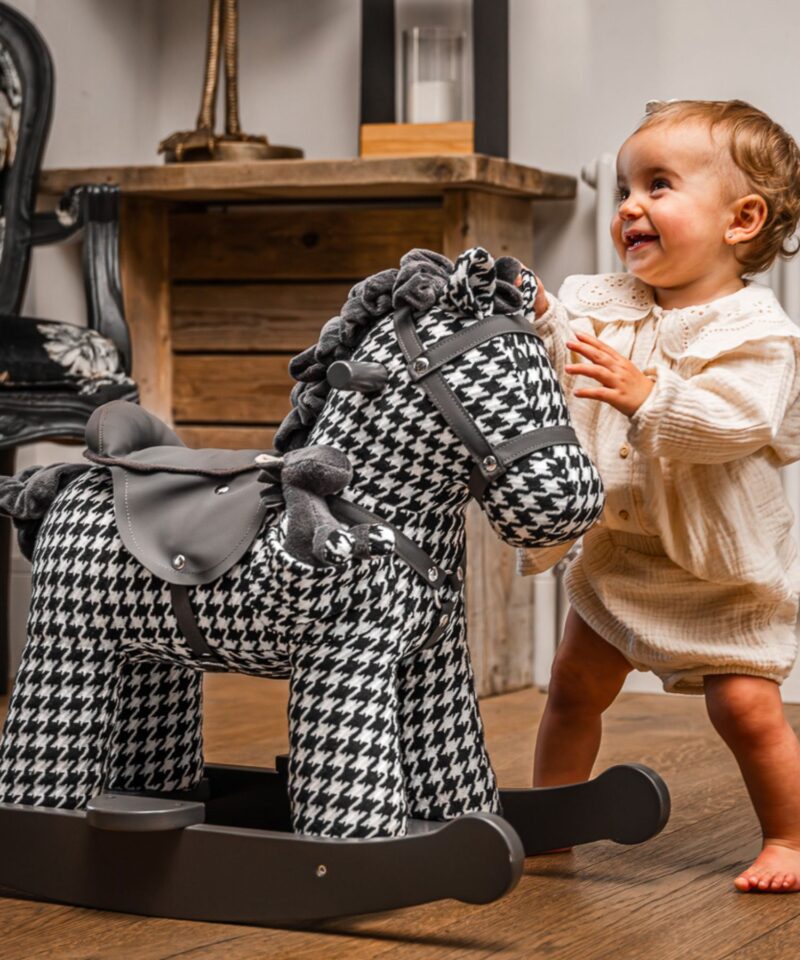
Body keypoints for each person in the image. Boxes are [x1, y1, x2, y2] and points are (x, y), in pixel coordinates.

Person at [518, 99, 800, 892]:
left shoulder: (754, 329)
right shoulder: (608, 301)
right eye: (625, 187)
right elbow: (566, 351)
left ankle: (790, 837)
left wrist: (649, 397)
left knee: (744, 710)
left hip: (721, 569)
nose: (630, 206)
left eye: (660, 185)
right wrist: (540, 311)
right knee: (573, 687)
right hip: (623, 551)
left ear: (741, 219)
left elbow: (737, 424)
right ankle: (552, 823)